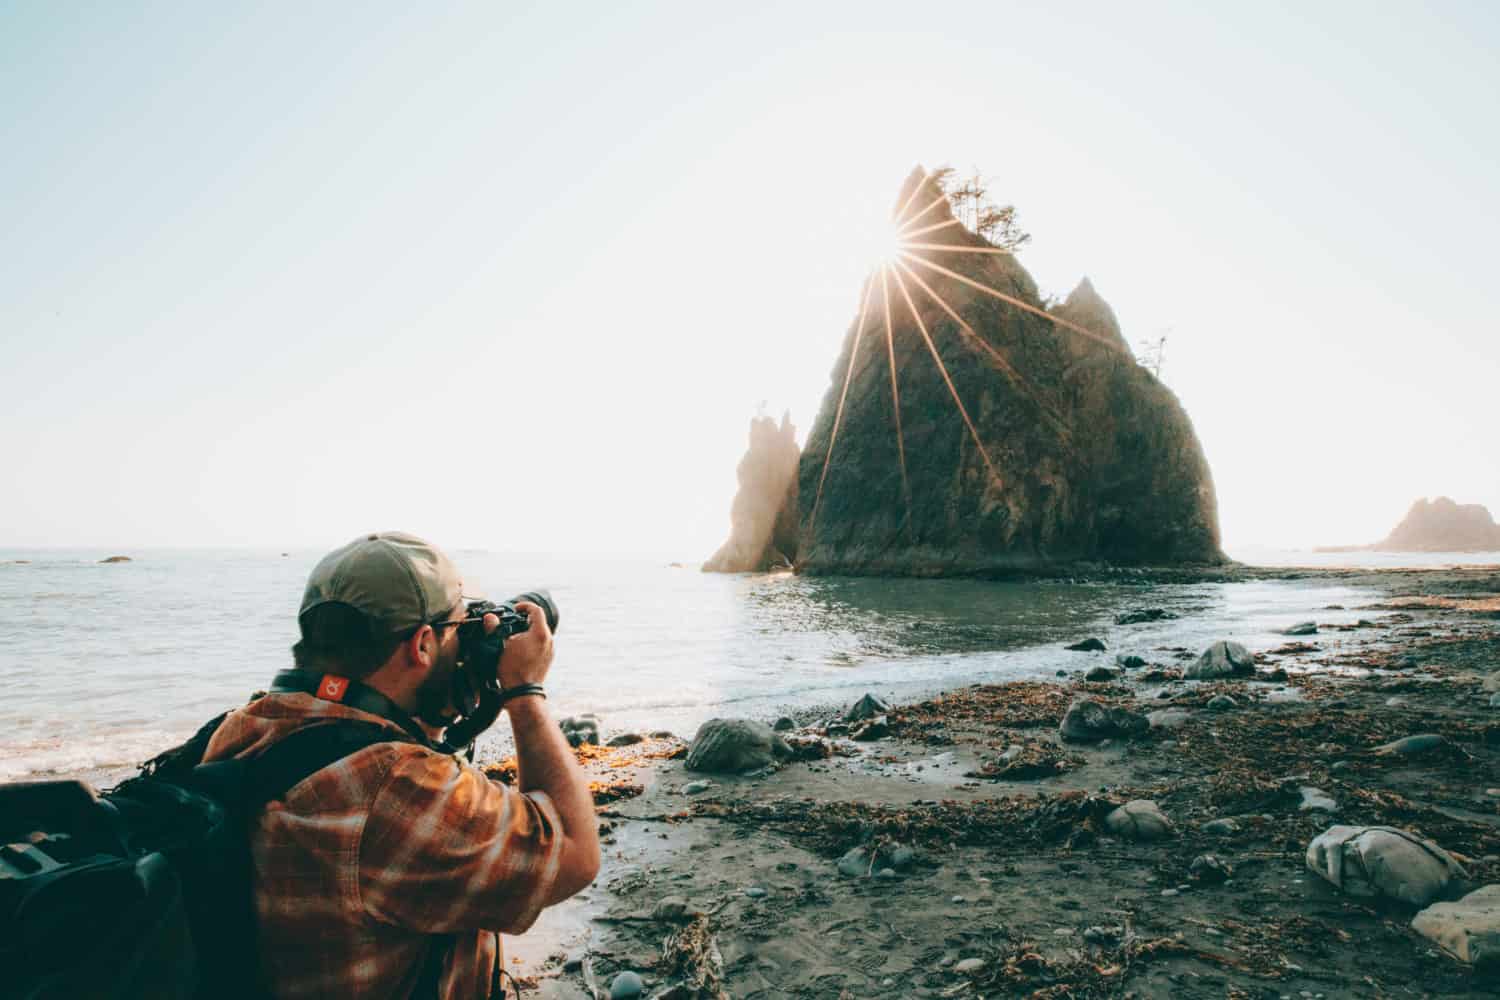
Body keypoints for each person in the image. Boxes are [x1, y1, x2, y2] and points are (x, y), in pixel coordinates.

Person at [201, 532, 600, 999]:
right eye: (458, 629)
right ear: (423, 645)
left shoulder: (242, 727)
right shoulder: (395, 787)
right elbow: (574, 853)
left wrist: (434, 707)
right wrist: (523, 691)